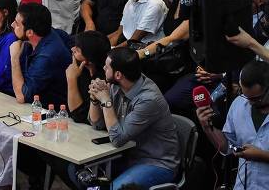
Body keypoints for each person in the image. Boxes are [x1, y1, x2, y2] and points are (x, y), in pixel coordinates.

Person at [85, 47, 180, 188]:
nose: (103, 67)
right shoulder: (117, 85)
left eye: (107, 66)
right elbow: (97, 124)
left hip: (156, 163)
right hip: (127, 156)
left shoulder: (148, 99)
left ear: (118, 74)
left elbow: (117, 139)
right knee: (81, 174)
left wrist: (105, 100)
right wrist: (95, 98)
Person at [196, 59, 269, 190]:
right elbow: (227, 148)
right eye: (245, 95)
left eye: (256, 99)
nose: (250, 103)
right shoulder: (239, 104)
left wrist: (262, 156)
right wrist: (207, 127)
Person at [9, 2, 72, 105]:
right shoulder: (44, 32)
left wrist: (14, 58)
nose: (12, 25)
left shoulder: (47, 56)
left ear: (30, 32)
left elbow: (21, 96)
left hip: (51, 112)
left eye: (17, 24)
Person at [66, 30, 111, 124]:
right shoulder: (80, 69)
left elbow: (79, 116)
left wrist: (71, 79)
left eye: (77, 50)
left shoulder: (103, 80)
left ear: (89, 60)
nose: (72, 49)